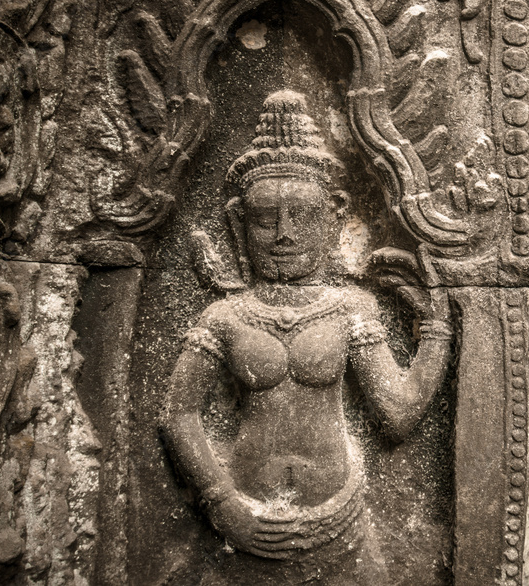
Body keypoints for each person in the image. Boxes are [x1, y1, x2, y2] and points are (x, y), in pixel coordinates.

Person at [160, 90, 453, 584]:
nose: (283, 234)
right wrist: (222, 501)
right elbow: (178, 413)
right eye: (264, 218)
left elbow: (397, 413)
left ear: (334, 218)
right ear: (238, 223)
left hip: (341, 523)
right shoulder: (227, 316)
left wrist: (437, 332)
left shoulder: (350, 309)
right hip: (246, 524)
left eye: (303, 215)